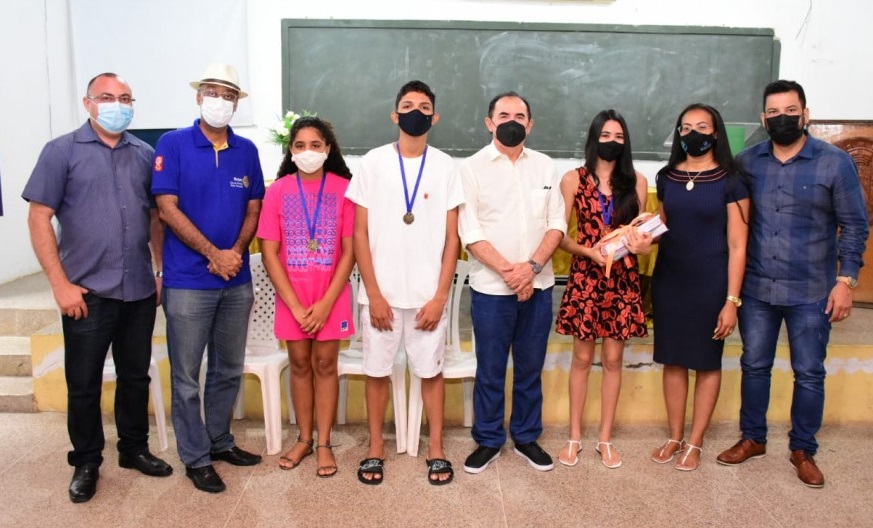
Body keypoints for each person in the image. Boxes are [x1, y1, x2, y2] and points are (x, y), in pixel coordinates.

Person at [23, 72, 172, 503]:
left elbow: (154, 217)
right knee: (84, 383)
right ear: (87, 103)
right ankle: (87, 460)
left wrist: (158, 271)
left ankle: (133, 448)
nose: (116, 105)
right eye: (107, 97)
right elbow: (38, 217)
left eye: (125, 98)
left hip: (138, 289)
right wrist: (60, 285)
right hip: (85, 293)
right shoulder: (61, 152)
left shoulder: (144, 154)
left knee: (134, 376)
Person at [716, 80, 869, 487]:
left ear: (805, 115)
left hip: (812, 291)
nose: (781, 118)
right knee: (754, 365)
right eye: (773, 112)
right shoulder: (747, 163)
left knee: (809, 372)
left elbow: (855, 225)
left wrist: (846, 281)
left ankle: (803, 448)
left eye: (790, 111)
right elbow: (732, 224)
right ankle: (753, 438)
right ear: (763, 118)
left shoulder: (835, 163)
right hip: (758, 289)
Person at [152, 63, 265, 493]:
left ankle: (219, 440)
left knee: (228, 368)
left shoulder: (246, 150)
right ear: (199, 97)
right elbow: (167, 208)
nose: (220, 101)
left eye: (228, 95)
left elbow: (253, 207)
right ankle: (196, 457)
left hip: (235, 281)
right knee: (186, 376)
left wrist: (234, 253)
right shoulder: (173, 144)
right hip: (187, 282)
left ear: (237, 103)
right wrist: (212, 254)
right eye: (213, 92)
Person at [346, 80, 462, 486]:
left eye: (424, 107)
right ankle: (376, 447)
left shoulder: (446, 166)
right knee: (377, 372)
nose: (417, 112)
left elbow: (453, 239)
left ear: (435, 117)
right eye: (408, 105)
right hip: (381, 295)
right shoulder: (372, 163)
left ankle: (436, 449)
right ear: (395, 115)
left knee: (431, 372)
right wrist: (374, 294)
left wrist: (441, 296)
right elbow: (359, 234)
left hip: (428, 296)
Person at [458, 91, 566, 474]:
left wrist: (531, 269)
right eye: (504, 115)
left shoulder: (546, 167)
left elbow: (556, 224)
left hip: (538, 287)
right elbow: (470, 232)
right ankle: (488, 439)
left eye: (520, 116)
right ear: (489, 122)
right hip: (491, 290)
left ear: (530, 124)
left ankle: (525, 436)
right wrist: (513, 273)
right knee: (490, 369)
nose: (512, 121)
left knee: (530, 367)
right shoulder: (470, 169)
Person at [650, 103, 750, 471]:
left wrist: (731, 301)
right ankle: (675, 436)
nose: (693, 134)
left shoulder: (732, 180)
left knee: (706, 362)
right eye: (686, 127)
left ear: (716, 133)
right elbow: (663, 226)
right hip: (669, 281)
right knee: (673, 360)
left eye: (702, 127)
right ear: (678, 134)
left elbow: (738, 245)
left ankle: (695, 442)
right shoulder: (667, 177)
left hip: (711, 284)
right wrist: (638, 235)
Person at [257, 117, 356, 478]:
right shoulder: (278, 191)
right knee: (299, 364)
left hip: (331, 294)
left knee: (326, 365)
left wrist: (326, 303)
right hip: (292, 297)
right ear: (291, 150)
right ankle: (304, 439)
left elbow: (350, 251)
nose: (308, 152)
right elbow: (269, 252)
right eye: (300, 146)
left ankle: (325, 442)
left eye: (315, 145)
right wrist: (296, 306)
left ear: (328, 149)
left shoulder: (346, 189)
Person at [554, 110, 651, 469]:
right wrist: (588, 252)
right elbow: (559, 236)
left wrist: (643, 245)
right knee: (581, 360)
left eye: (619, 136)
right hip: (586, 277)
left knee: (613, 360)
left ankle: (605, 439)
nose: (612, 141)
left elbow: (641, 235)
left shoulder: (637, 181)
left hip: (623, 280)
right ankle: (574, 437)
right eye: (606, 135)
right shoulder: (572, 180)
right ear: (594, 138)